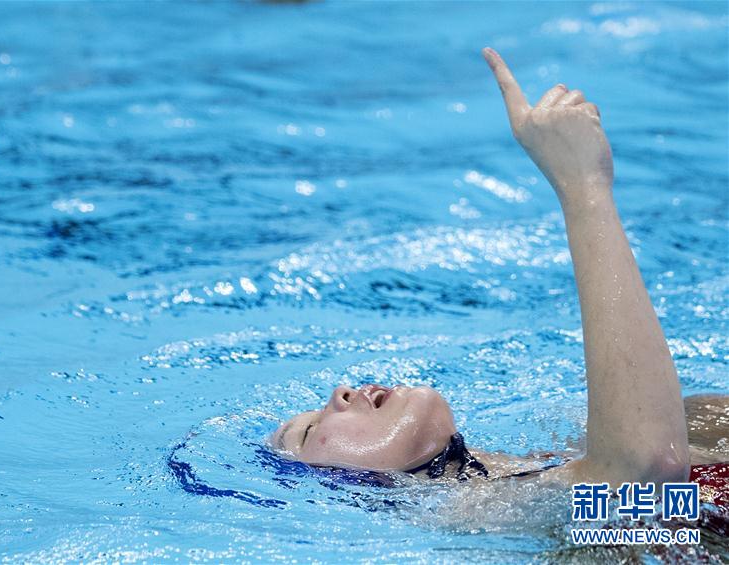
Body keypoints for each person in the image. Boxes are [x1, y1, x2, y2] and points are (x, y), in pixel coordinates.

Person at [271, 48, 727, 487]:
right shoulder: (490, 513)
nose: (340, 392)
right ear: (343, 492)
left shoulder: (552, 461)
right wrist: (582, 186)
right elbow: (643, 474)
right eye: (309, 432)